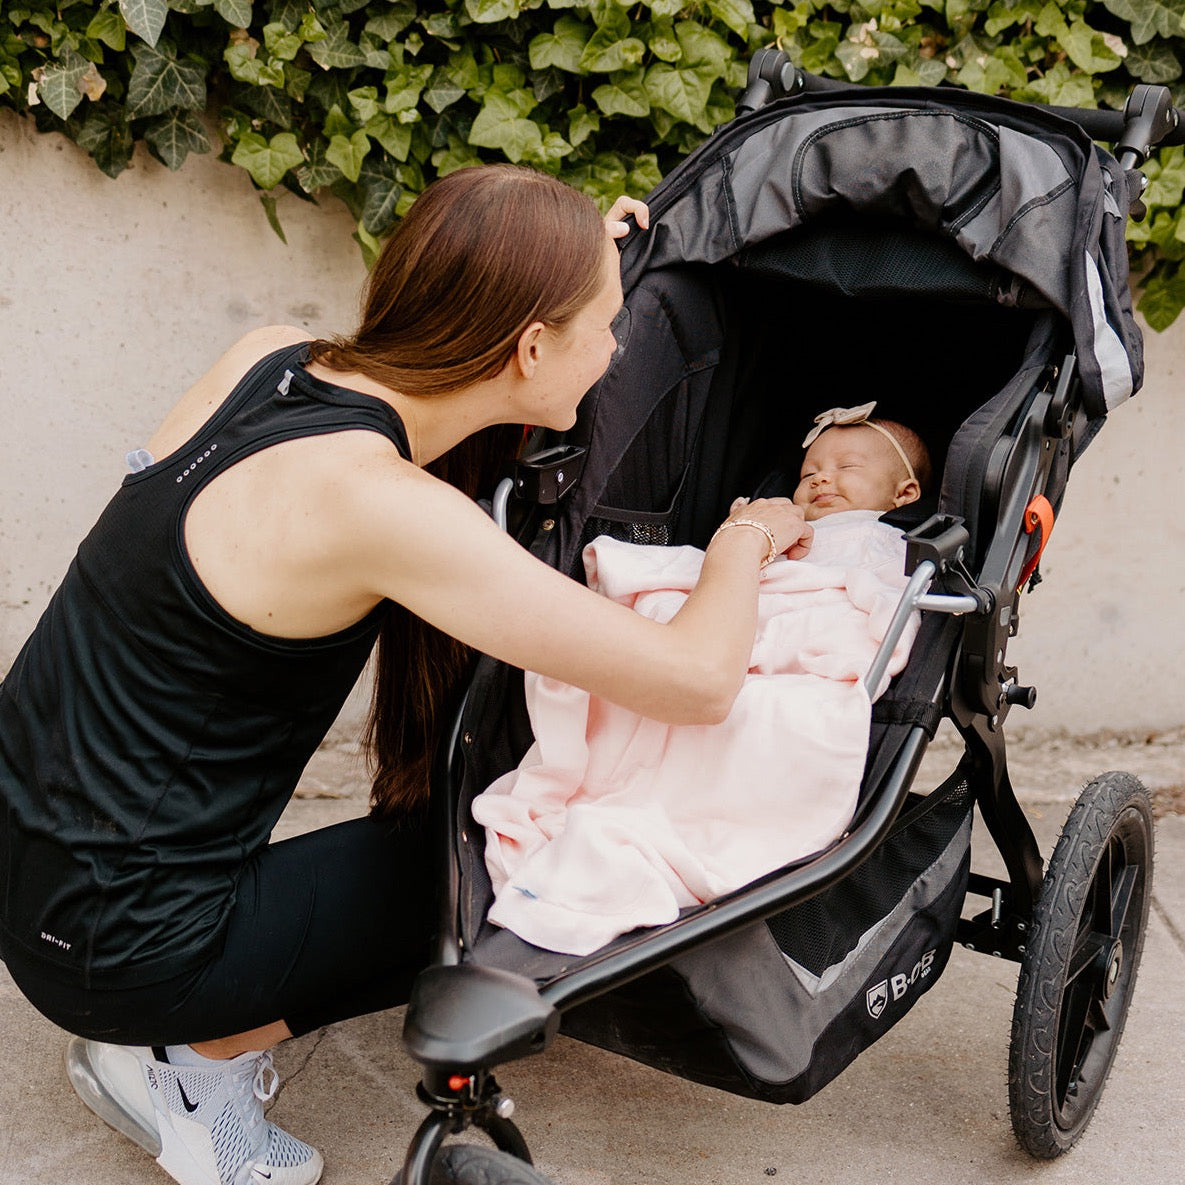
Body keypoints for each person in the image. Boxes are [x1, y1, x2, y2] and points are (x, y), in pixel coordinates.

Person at [0, 164, 812, 1185]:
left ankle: (168, 1016)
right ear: (527, 347)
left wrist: (569, 258)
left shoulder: (273, 358)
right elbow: (697, 679)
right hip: (119, 950)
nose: (615, 348)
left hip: (27, 844)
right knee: (544, 850)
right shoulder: (381, 508)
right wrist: (747, 538)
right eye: (605, 325)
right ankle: (190, 1056)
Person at [473, 403, 933, 956]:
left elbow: (877, 604)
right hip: (728, 619)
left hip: (802, 627)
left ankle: (672, 814)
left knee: (767, 711)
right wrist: (745, 536)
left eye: (847, 468)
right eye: (810, 471)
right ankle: (622, 787)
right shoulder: (784, 521)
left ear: (903, 494)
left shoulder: (885, 541)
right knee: (636, 648)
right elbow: (721, 572)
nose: (822, 479)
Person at [791, 401, 931, 521]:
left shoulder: (888, 540)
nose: (819, 477)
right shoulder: (784, 528)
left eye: (847, 466)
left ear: (904, 494)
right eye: (808, 474)